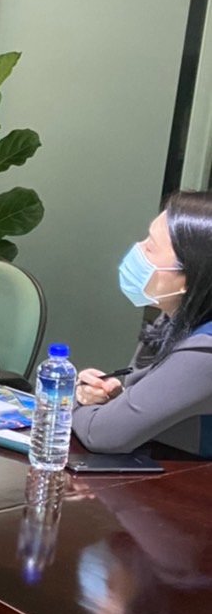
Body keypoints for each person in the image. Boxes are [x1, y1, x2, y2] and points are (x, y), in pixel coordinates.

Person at [74, 191, 212, 455]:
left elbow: (103, 434)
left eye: (150, 248)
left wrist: (70, 403)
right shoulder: (175, 315)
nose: (137, 250)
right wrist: (112, 399)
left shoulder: (205, 352)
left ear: (190, 276)